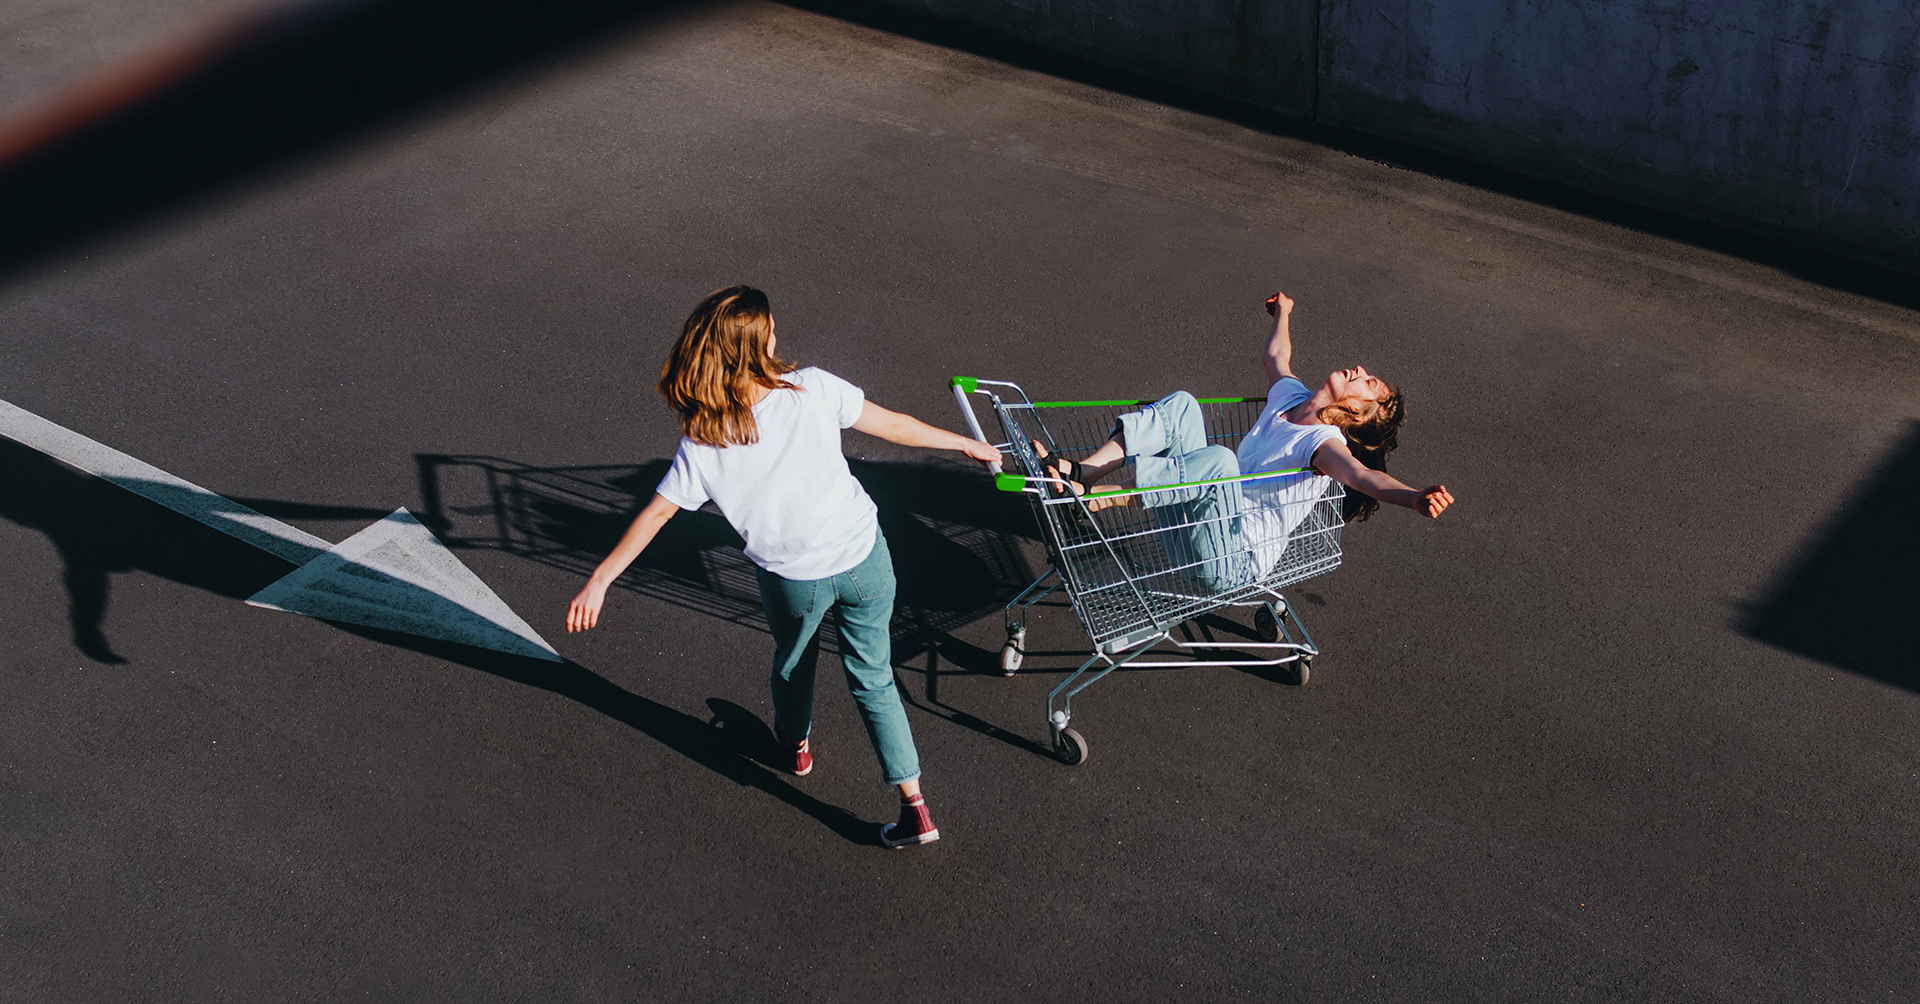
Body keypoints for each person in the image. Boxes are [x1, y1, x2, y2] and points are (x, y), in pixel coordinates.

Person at [565, 285, 1001, 849]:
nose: (777, 330)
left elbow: (654, 516)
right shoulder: (813, 388)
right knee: (873, 678)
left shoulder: (705, 438)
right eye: (771, 325)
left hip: (795, 582)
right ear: (758, 344)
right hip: (866, 559)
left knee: (794, 664)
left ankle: (794, 746)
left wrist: (599, 581)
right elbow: (893, 425)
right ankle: (914, 805)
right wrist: (964, 445)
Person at [1034, 291, 1453, 593]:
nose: (1360, 369)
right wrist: (1283, 312)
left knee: (1220, 461)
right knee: (1183, 405)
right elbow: (1277, 356)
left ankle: (1094, 499)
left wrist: (1414, 497)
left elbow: (1363, 477)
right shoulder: (1291, 396)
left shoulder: (1325, 446)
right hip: (1195, 526)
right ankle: (1081, 473)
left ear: (1360, 414)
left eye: (1369, 382)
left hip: (1229, 560)